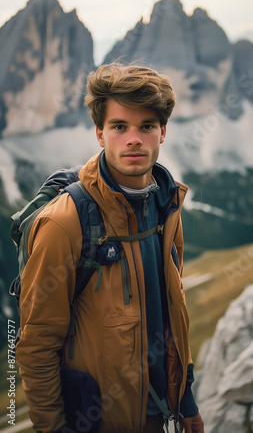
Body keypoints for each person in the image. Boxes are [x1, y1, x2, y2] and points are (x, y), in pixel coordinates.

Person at [16, 62, 204, 433]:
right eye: (119, 127)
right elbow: (36, 345)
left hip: (160, 414)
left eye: (146, 126)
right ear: (100, 134)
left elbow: (171, 316)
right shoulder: (64, 223)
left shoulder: (168, 205)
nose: (133, 138)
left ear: (162, 132)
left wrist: (187, 403)